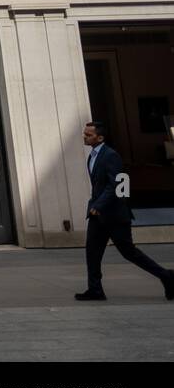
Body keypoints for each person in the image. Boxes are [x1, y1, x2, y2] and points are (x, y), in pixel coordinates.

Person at [75, 121, 174, 302]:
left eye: (88, 135)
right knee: (92, 251)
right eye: (84, 133)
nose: (84, 136)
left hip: (114, 215)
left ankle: (166, 275)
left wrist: (99, 206)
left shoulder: (111, 156)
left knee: (129, 252)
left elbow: (120, 185)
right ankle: (95, 289)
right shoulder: (92, 156)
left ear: (100, 137)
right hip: (98, 215)